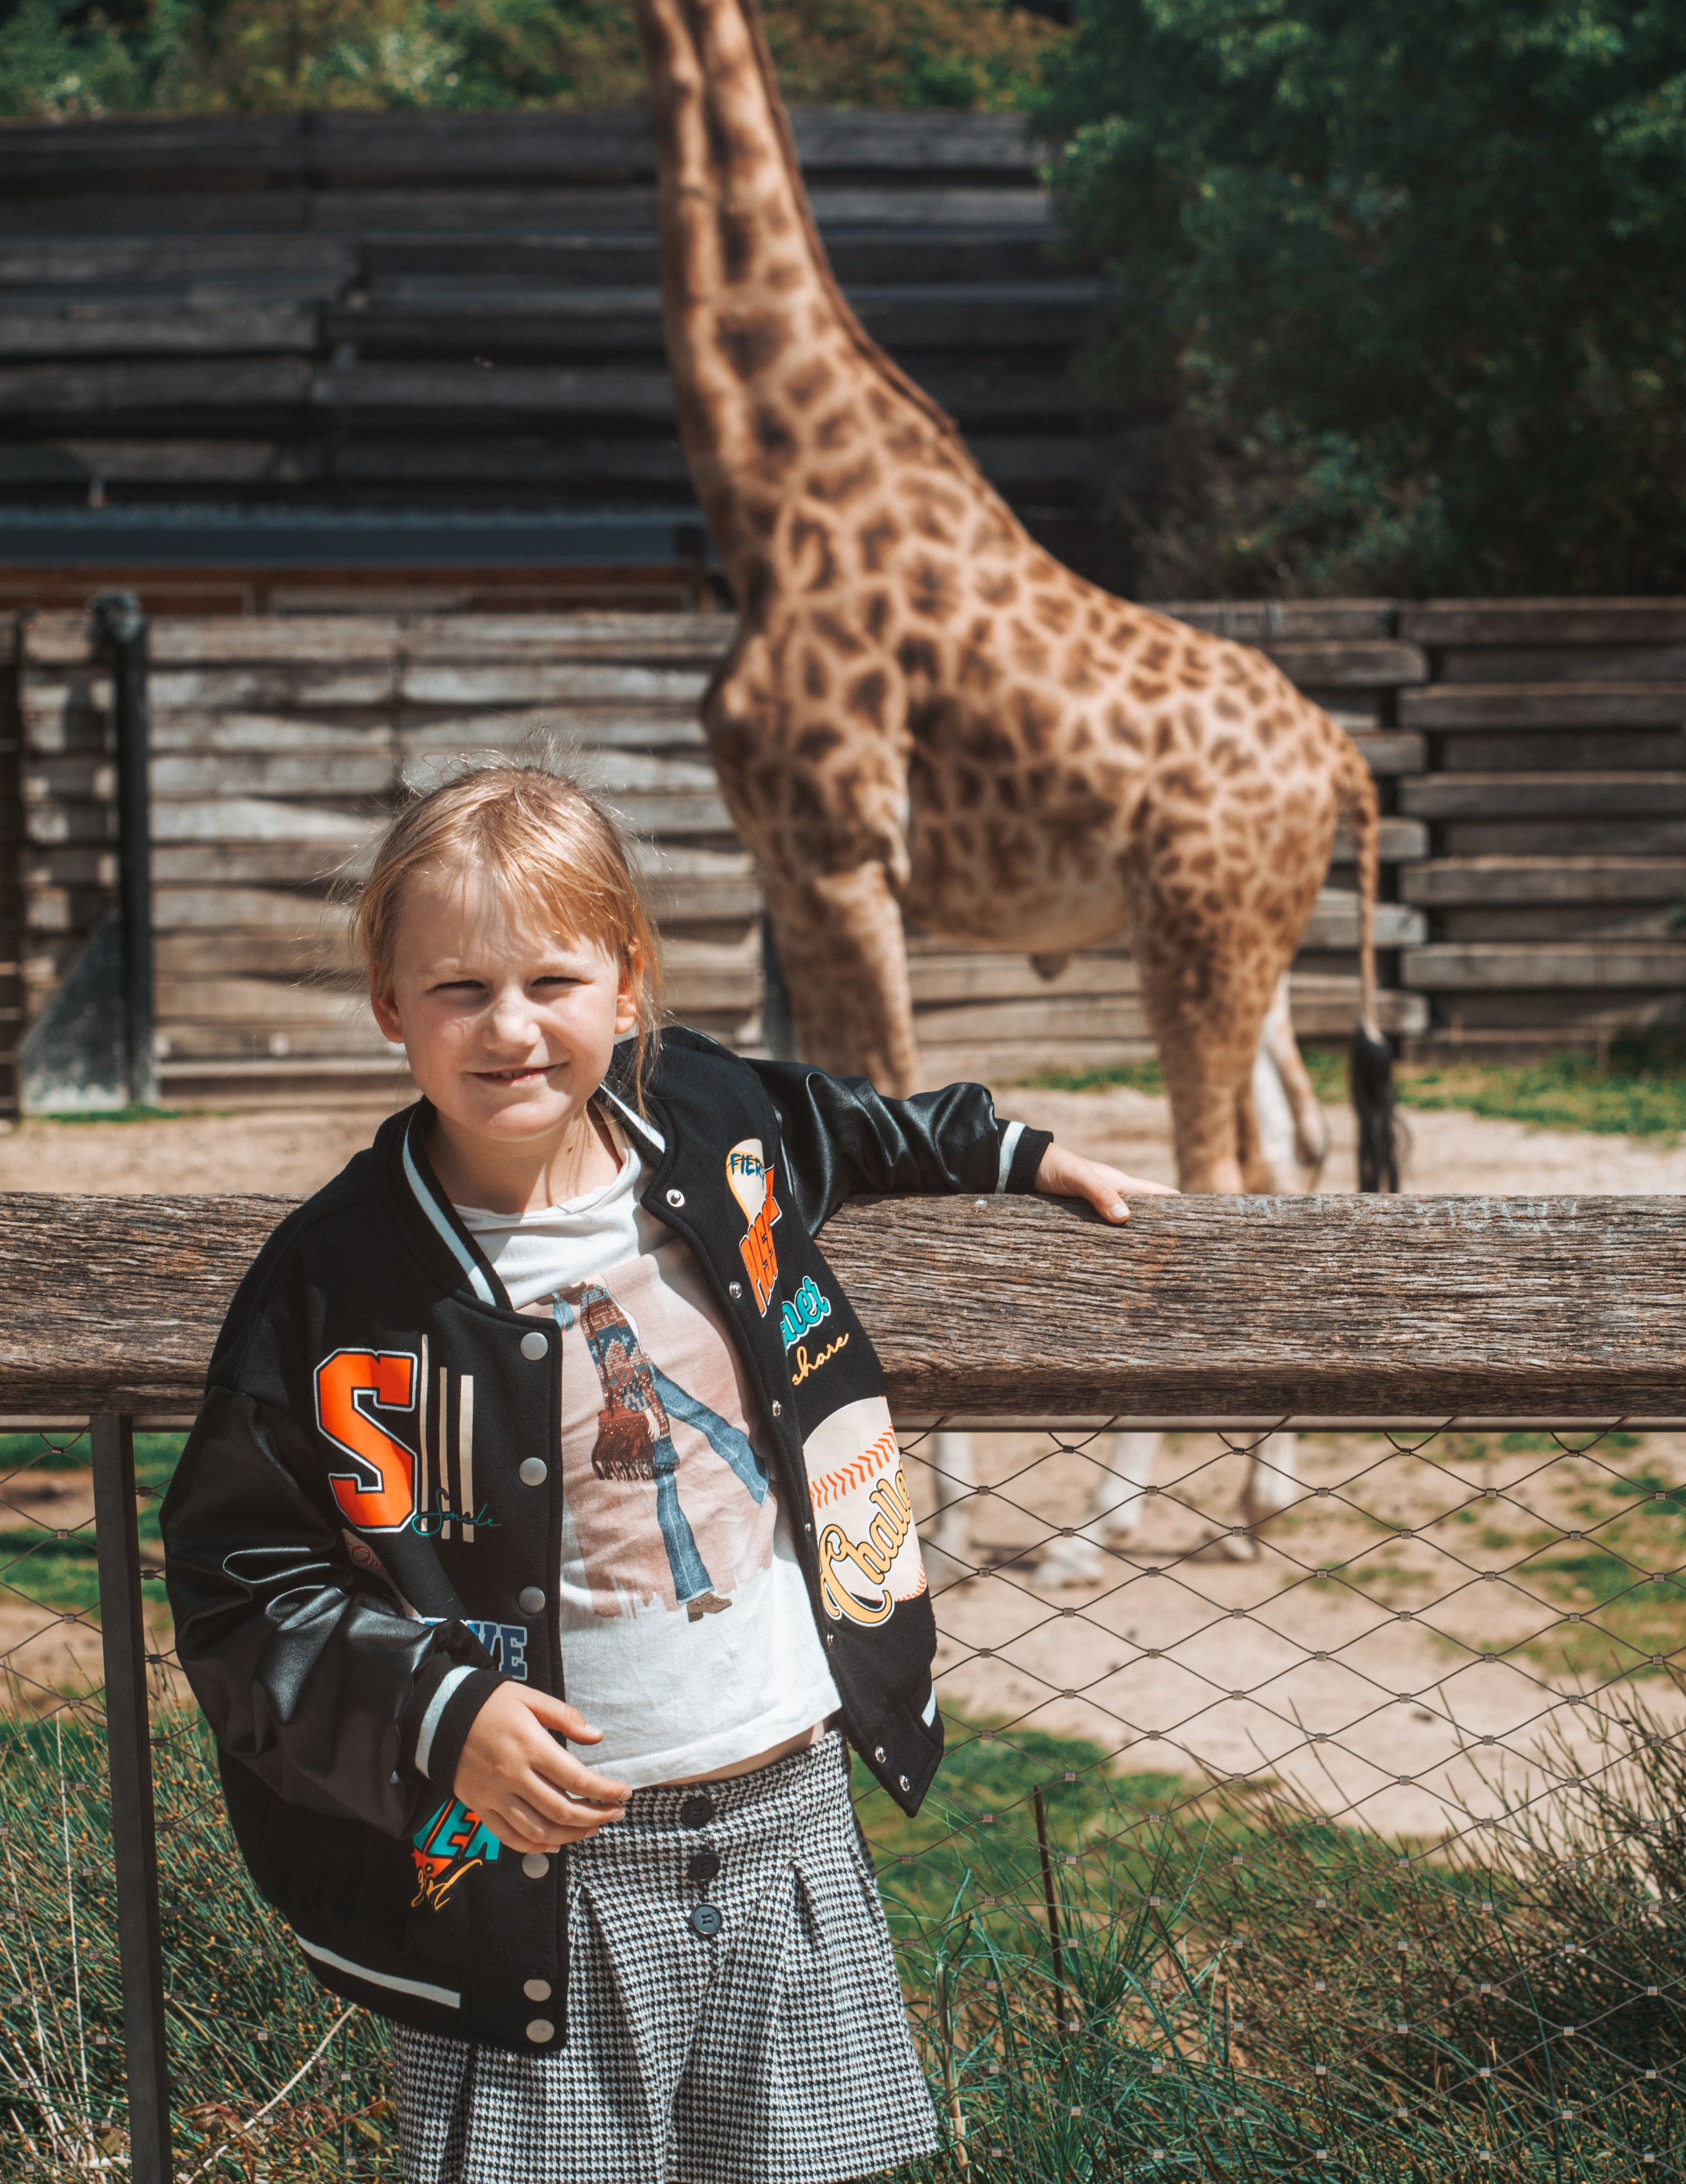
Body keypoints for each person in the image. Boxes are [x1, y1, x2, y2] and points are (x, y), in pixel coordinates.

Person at [162, 763, 1170, 2184]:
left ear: (627, 987)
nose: (508, 1027)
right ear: (390, 1008)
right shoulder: (336, 1280)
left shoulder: (700, 1120)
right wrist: (438, 1717)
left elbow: (834, 1123)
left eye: (551, 980)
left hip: (786, 1808)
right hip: (526, 1883)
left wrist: (1002, 1147)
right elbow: (236, 1586)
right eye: (456, 990)